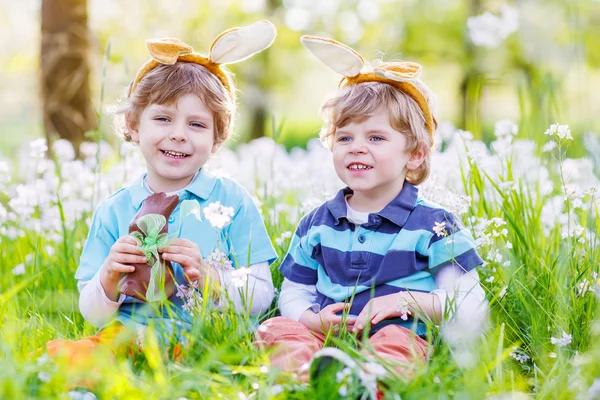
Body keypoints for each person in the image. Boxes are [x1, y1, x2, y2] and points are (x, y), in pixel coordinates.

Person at [255, 36, 487, 394]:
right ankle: (303, 378)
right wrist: (310, 318)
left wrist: (405, 301)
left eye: (376, 138)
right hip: (325, 334)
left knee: (397, 343)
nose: (357, 147)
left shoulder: (435, 224)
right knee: (277, 329)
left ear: (415, 155)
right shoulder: (316, 222)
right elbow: (295, 291)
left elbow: (467, 300)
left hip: (398, 329)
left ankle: (367, 384)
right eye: (345, 138)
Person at [46, 21, 278, 372]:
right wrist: (109, 276)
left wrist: (209, 278)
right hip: (131, 335)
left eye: (197, 125)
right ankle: (84, 386)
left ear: (217, 137)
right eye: (163, 118)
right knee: (87, 354)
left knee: (234, 359)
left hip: (212, 338)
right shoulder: (115, 209)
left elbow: (262, 296)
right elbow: (92, 312)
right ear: (135, 126)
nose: (179, 135)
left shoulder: (232, 202)